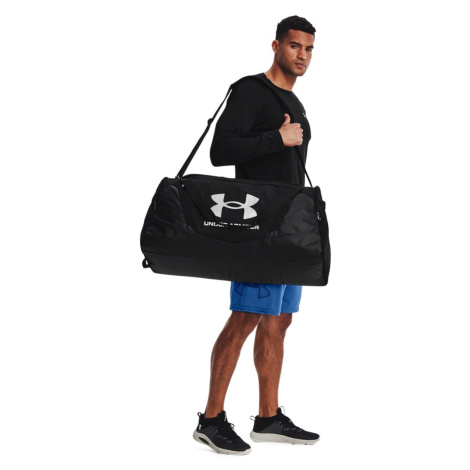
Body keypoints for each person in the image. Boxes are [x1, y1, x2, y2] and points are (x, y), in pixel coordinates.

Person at [192, 16, 320, 456]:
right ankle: (211, 419)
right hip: (257, 228)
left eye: (308, 49)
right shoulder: (250, 91)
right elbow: (220, 150)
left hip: (288, 228)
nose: (302, 55)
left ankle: (268, 417)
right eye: (294, 46)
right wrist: (276, 138)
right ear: (276, 46)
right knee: (246, 316)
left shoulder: (294, 101)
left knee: (279, 320)